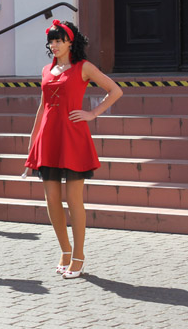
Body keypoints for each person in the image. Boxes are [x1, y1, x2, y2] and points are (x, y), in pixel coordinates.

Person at [25, 20, 122, 279]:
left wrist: (92, 113)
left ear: (70, 42)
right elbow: (43, 106)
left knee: (73, 199)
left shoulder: (84, 67)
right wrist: (33, 136)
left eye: (59, 40)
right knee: (51, 199)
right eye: (51, 41)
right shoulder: (46, 70)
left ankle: (79, 255)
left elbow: (115, 91)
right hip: (48, 138)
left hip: (72, 137)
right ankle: (65, 251)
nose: (54, 45)